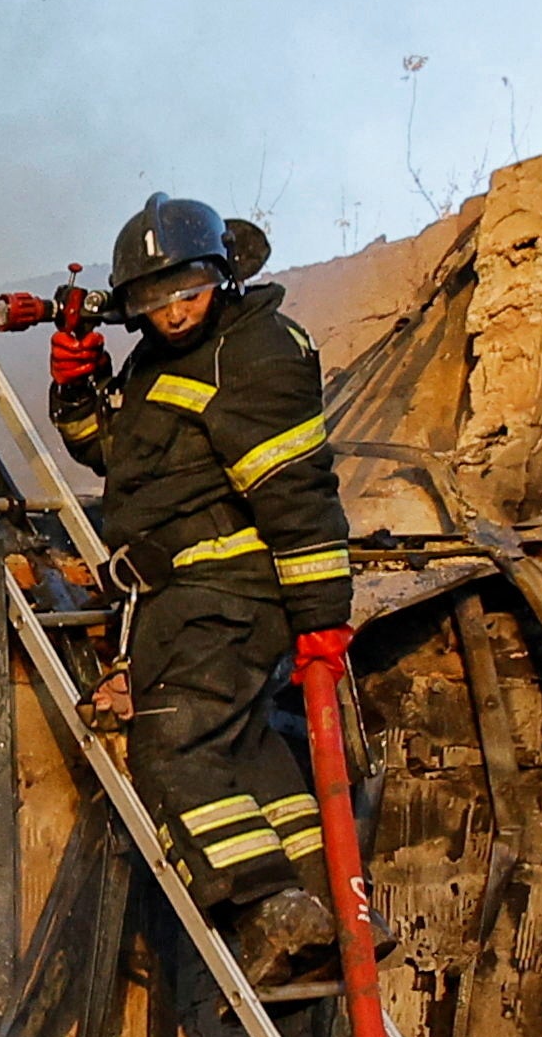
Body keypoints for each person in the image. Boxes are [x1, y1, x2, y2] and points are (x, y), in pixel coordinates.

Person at [47, 194, 358, 967]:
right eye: (154, 300)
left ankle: (266, 908)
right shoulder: (164, 358)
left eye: (186, 291)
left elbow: (298, 492)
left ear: (222, 273)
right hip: (192, 599)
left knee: (171, 749)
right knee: (246, 749)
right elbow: (120, 460)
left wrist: (324, 615)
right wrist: (79, 387)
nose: (174, 311)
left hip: (223, 597)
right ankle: (324, 907)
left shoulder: (256, 352)